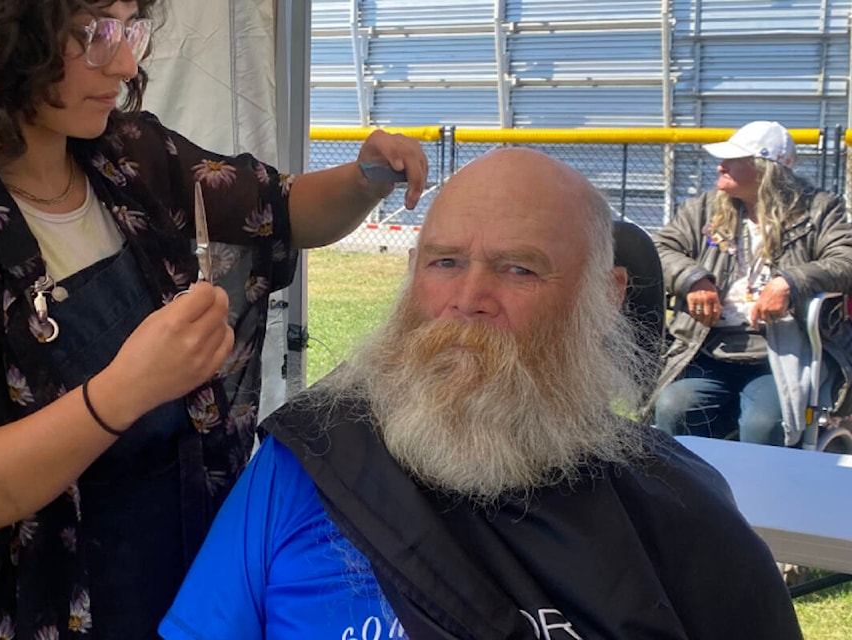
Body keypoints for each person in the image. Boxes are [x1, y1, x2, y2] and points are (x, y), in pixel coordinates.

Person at [0, 1, 428, 637]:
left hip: (180, 557)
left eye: (130, 29)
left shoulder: (132, 157)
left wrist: (366, 178)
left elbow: (281, 209)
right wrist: (124, 391)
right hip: (46, 597)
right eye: (94, 33)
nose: (124, 62)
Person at [160, 148, 802, 640]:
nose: (468, 301)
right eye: (443, 263)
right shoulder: (311, 462)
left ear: (604, 297)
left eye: (518, 268)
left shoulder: (677, 515)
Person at [651, 120, 852, 445]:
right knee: (675, 407)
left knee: (764, 424)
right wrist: (694, 279)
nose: (720, 166)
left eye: (732, 159)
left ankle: (759, 494)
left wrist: (789, 282)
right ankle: (688, 493)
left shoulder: (818, 210)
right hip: (709, 347)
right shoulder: (702, 210)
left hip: (786, 349)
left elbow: (846, 259)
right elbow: (660, 248)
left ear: (764, 169)